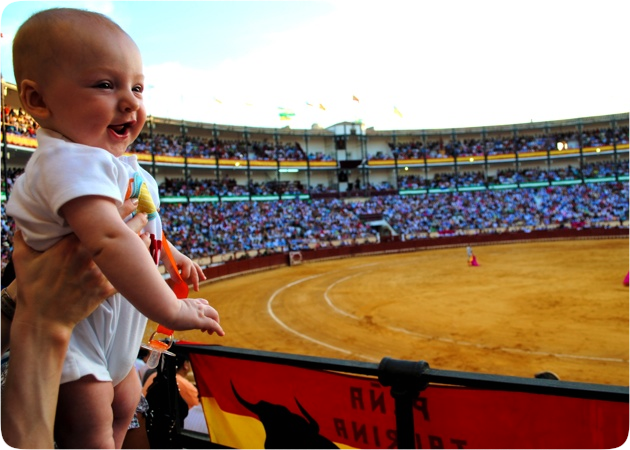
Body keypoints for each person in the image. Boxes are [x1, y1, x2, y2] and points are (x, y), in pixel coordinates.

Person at [7, 8, 224, 449]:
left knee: (124, 404)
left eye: (137, 87)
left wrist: (171, 253)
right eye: (105, 85)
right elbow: (109, 238)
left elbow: (135, 226)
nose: (130, 101)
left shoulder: (107, 163)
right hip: (75, 342)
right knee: (91, 428)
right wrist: (174, 310)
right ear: (38, 101)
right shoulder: (68, 161)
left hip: (109, 336)